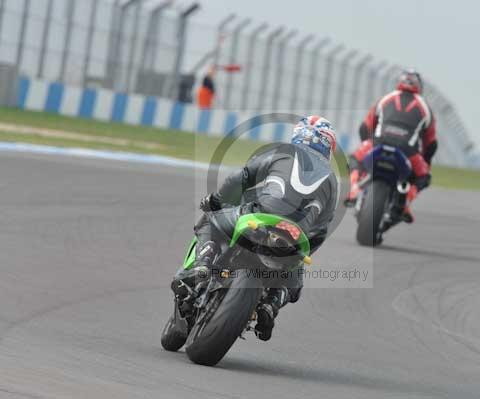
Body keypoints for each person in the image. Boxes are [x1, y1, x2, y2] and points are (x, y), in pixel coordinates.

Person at [171, 115, 339, 341]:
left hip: (259, 216)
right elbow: (322, 230)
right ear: (329, 146)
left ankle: (201, 266)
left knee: (212, 218)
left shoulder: (283, 151)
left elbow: (241, 178)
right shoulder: (332, 180)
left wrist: (217, 200)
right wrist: (304, 250)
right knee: (295, 277)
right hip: (294, 237)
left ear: (299, 135)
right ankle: (270, 305)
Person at [344, 69, 438, 223]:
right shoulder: (426, 108)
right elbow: (431, 144)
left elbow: (365, 127)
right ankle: (406, 201)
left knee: (354, 159)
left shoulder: (385, 99)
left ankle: (354, 190)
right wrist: (426, 161)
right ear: (419, 86)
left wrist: (368, 143)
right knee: (424, 177)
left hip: (378, 143)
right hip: (408, 151)